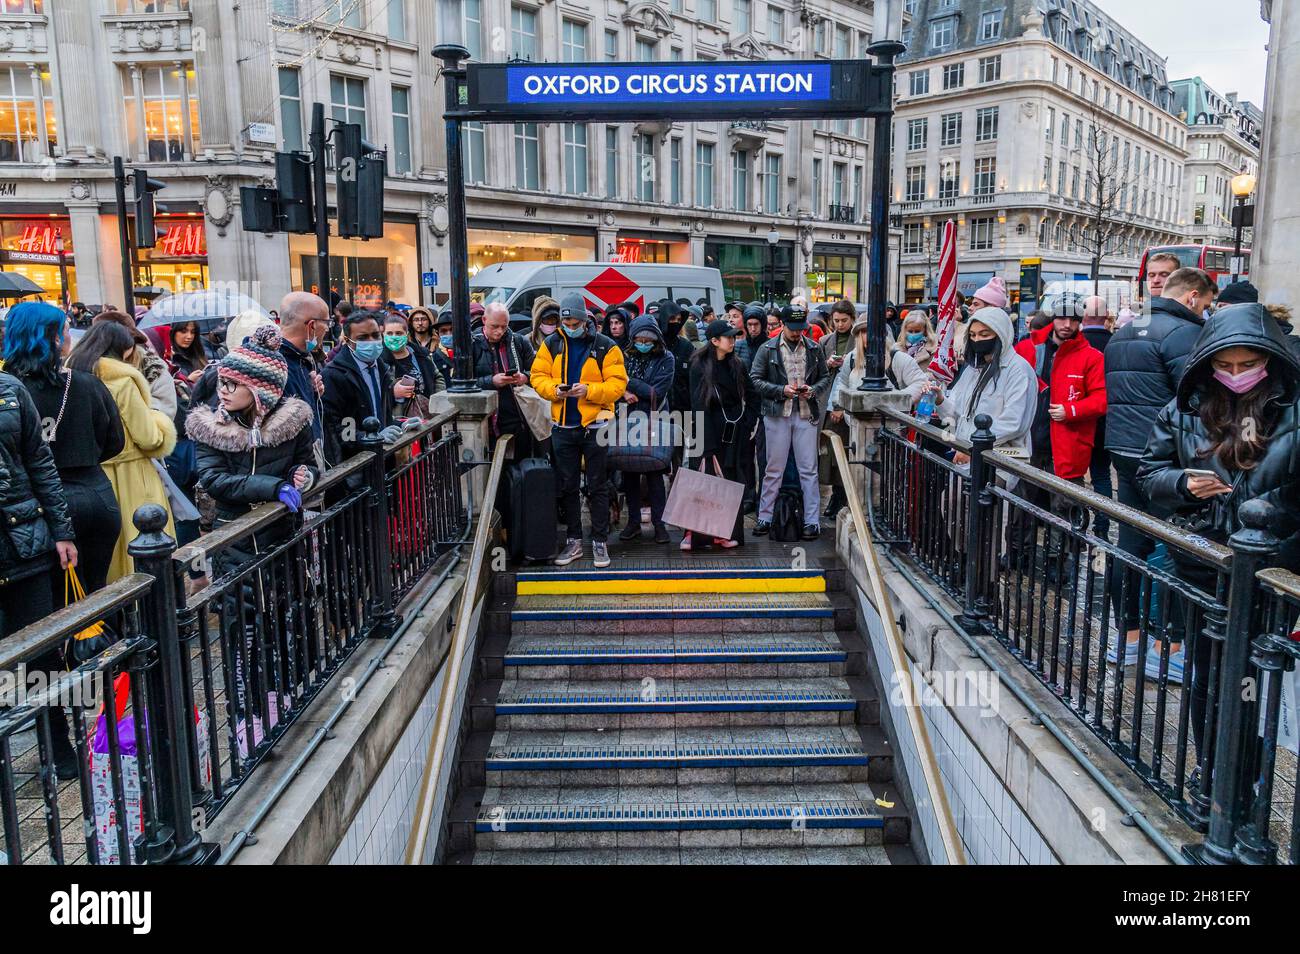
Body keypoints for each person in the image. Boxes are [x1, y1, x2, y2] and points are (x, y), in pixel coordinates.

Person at [1138, 303, 1300, 711]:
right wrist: (1184, 483)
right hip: (1203, 561)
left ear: (1270, 358)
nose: (1235, 373)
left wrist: (1267, 510)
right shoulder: (1184, 408)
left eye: (1248, 363)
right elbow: (1150, 473)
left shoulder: (1292, 411)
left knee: (1254, 675)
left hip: (1272, 566)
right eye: (1224, 364)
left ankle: (1245, 768)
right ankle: (1209, 766)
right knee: (1207, 671)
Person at [187, 324, 318, 725]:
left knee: (286, 620)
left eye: (232, 384)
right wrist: (272, 485)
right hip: (236, 543)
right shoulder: (211, 428)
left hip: (283, 540)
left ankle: (288, 699)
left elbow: (308, 463)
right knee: (242, 631)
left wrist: (302, 477)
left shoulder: (292, 421)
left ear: (260, 390)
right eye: (222, 382)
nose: (222, 390)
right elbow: (214, 479)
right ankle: (247, 715)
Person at [1104, 266, 1218, 664]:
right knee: (1173, 547)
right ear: (1191, 298)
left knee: (1131, 543)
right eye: (1205, 304)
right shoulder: (1184, 334)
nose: (1206, 311)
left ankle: (1128, 638)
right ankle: (1164, 646)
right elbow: (1197, 401)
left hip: (1123, 446)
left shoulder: (1124, 331)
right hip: (1163, 456)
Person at [4, 301, 124, 603]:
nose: (69, 339)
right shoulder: (87, 384)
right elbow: (115, 441)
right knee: (96, 591)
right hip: (95, 494)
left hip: (41, 505)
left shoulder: (10, 393)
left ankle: (80, 650)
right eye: (65, 332)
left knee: (57, 603)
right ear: (54, 340)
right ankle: (105, 648)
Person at [67, 321, 176, 582]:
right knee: (141, 544)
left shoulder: (73, 376)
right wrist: (160, 421)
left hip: (91, 476)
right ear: (124, 350)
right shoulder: (123, 381)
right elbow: (148, 437)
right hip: (132, 474)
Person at [529, 292, 627, 567]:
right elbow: (538, 377)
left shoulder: (606, 346)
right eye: (567, 323)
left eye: (575, 323)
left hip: (595, 424)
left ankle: (599, 541)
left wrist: (589, 391)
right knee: (567, 486)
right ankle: (574, 541)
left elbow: (618, 385)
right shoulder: (552, 343)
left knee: (597, 484)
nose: (571, 328)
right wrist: (554, 391)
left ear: (586, 320)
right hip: (562, 424)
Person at [750, 303, 833, 539]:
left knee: (808, 469)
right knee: (773, 468)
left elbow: (825, 377)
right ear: (783, 325)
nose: (798, 333)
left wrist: (813, 390)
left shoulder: (814, 348)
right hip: (778, 413)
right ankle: (765, 517)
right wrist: (780, 390)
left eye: (801, 328)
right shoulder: (768, 349)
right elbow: (755, 379)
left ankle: (811, 521)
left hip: (806, 413)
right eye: (794, 328)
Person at [686, 319, 757, 549]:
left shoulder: (738, 364)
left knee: (731, 481)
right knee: (703, 481)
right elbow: (697, 404)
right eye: (729, 337)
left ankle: (728, 532)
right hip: (706, 429)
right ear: (714, 341)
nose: (733, 341)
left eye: (735, 337)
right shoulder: (698, 365)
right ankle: (697, 534)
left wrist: (747, 422)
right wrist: (706, 444)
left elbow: (753, 395)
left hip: (733, 429)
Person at [933, 307, 1036, 463]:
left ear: (1001, 334)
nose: (977, 340)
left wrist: (974, 447)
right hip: (965, 455)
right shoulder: (972, 369)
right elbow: (957, 413)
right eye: (972, 335)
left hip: (1002, 461)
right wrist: (940, 400)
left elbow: (1013, 423)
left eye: (984, 334)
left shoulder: (1019, 370)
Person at [617, 315, 675, 544]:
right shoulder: (624, 355)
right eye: (639, 339)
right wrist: (623, 389)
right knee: (628, 469)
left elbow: (656, 392)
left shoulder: (666, 358)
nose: (643, 343)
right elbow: (615, 381)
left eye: (648, 340)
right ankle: (633, 523)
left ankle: (660, 524)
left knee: (654, 473)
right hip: (628, 420)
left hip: (655, 419)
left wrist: (628, 383)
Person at [322, 309, 401, 466]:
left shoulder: (382, 367)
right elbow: (337, 427)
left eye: (375, 335)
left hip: (384, 458)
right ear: (348, 341)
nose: (371, 341)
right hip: (354, 464)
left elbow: (382, 413)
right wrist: (369, 438)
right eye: (363, 337)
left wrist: (400, 425)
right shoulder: (333, 375)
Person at [472, 301, 538, 457]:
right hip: (486, 420)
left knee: (520, 467)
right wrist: (492, 381)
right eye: (495, 326)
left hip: (518, 417)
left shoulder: (519, 342)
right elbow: (460, 384)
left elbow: (538, 372)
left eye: (504, 326)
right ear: (484, 320)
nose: (499, 331)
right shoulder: (472, 344)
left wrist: (525, 377)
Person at [1080, 296, 1115, 539]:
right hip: (1106, 422)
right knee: (1101, 474)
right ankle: (1101, 526)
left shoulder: (1076, 343)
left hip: (1078, 421)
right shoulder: (1116, 343)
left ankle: (1077, 520)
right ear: (1106, 317)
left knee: (1074, 475)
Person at [277, 291, 328, 454]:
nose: (327, 328)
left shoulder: (301, 358)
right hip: (292, 472)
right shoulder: (274, 366)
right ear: (312, 325)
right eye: (326, 322)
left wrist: (313, 394)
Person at [381, 312, 445, 419]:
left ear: (406, 334)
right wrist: (392, 393)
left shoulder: (421, 354)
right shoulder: (379, 361)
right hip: (397, 420)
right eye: (389, 333)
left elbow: (437, 377)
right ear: (383, 335)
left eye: (398, 333)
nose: (394, 337)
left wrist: (437, 402)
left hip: (426, 417)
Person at [654, 299, 696, 417]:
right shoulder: (653, 345)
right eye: (672, 319)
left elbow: (693, 379)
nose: (676, 323)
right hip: (657, 410)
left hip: (683, 410)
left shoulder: (686, 346)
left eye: (679, 320)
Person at [170, 320, 209, 385]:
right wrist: (188, 381)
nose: (189, 336)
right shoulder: (168, 359)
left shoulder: (199, 355)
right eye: (183, 331)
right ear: (173, 332)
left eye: (193, 332)